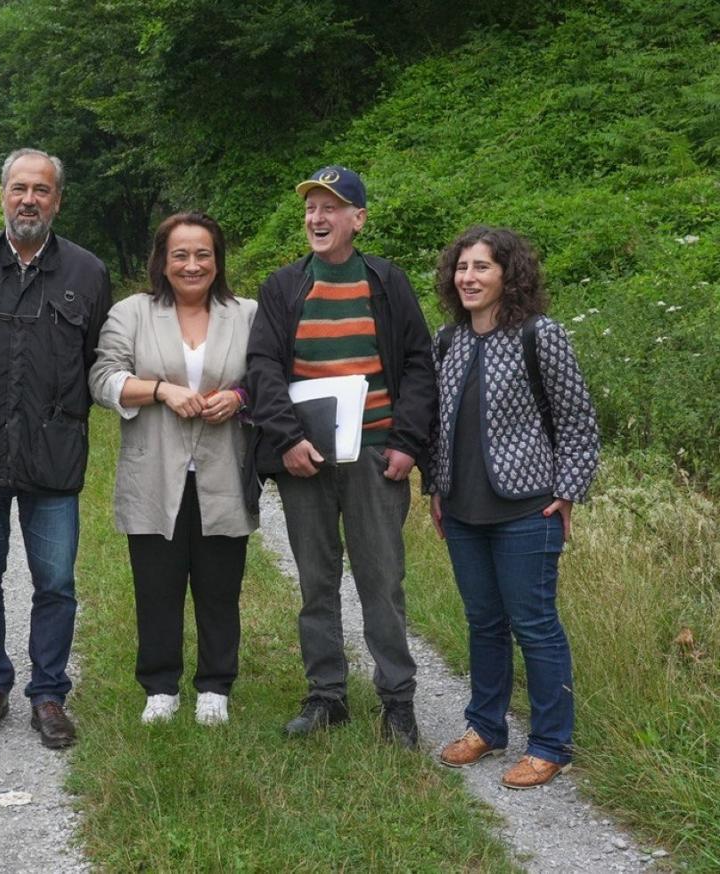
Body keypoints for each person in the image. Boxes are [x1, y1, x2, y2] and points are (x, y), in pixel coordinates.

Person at [245, 165, 435, 747]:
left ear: (358, 219)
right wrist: (286, 439)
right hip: (305, 459)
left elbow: (419, 365)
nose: (317, 218)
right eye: (310, 209)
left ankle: (397, 704)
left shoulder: (386, 281)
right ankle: (327, 695)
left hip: (375, 457)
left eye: (331, 208)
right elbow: (263, 368)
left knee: (382, 581)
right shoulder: (284, 286)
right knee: (316, 582)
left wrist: (405, 443)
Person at [0, 148, 112, 749]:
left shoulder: (88, 274)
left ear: (58, 200)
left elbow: (99, 362)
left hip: (54, 454)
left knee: (57, 583)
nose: (29, 200)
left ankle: (48, 695)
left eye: (42, 190)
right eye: (19, 188)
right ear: (3, 194)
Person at [427, 226, 598, 788]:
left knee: (535, 624)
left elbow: (577, 420)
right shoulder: (447, 340)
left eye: (482, 267)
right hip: (462, 508)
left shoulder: (538, 334)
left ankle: (551, 744)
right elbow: (436, 425)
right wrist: (435, 486)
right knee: (483, 622)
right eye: (462, 267)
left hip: (528, 509)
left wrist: (568, 490)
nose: (469, 277)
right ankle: (486, 728)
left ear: (508, 275)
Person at [89, 213, 257, 725]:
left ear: (217, 260)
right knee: (157, 583)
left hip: (223, 467)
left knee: (219, 582)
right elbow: (103, 378)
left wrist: (237, 396)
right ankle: (160, 686)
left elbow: (268, 375)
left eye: (202, 254)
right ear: (161, 261)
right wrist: (161, 390)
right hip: (153, 471)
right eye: (180, 254)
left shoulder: (246, 313)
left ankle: (215, 686)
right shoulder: (131, 313)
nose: (191, 265)